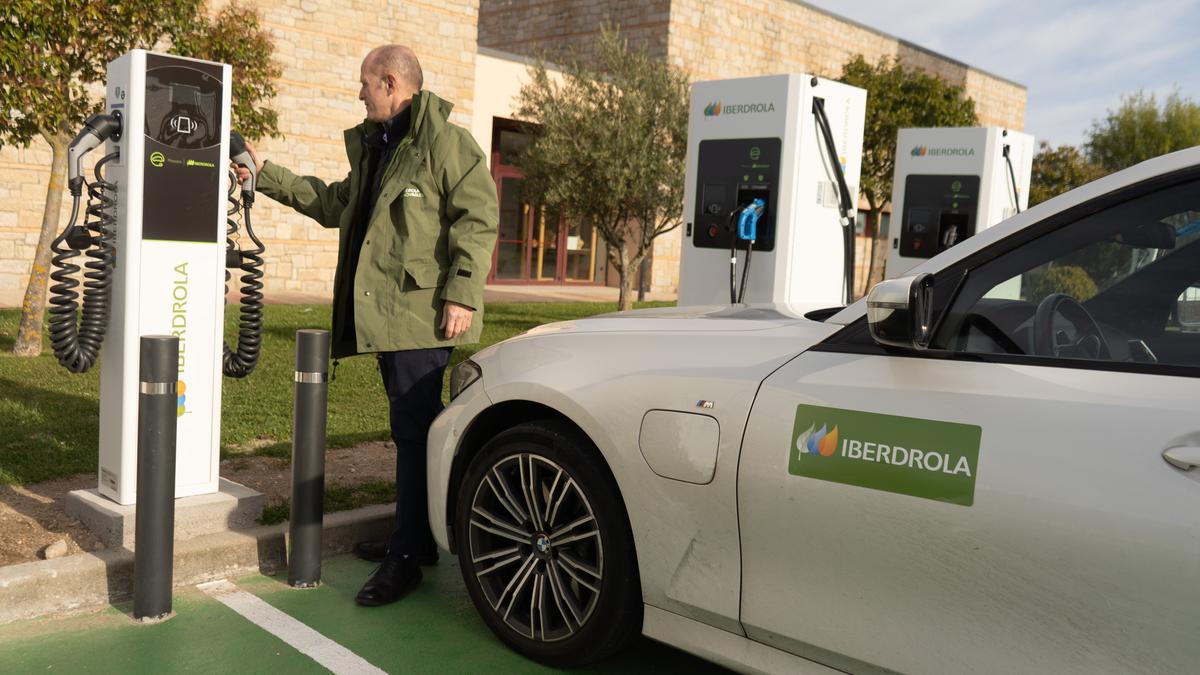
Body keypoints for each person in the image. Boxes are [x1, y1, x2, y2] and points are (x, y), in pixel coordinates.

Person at [234, 45, 498, 606]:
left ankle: (407, 558)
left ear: (390, 81)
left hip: (422, 319)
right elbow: (336, 204)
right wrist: (265, 174)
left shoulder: (445, 144)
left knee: (412, 434)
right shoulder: (379, 147)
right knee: (411, 433)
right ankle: (417, 540)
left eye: (363, 84)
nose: (359, 93)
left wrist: (462, 294)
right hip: (389, 317)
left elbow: (478, 218)